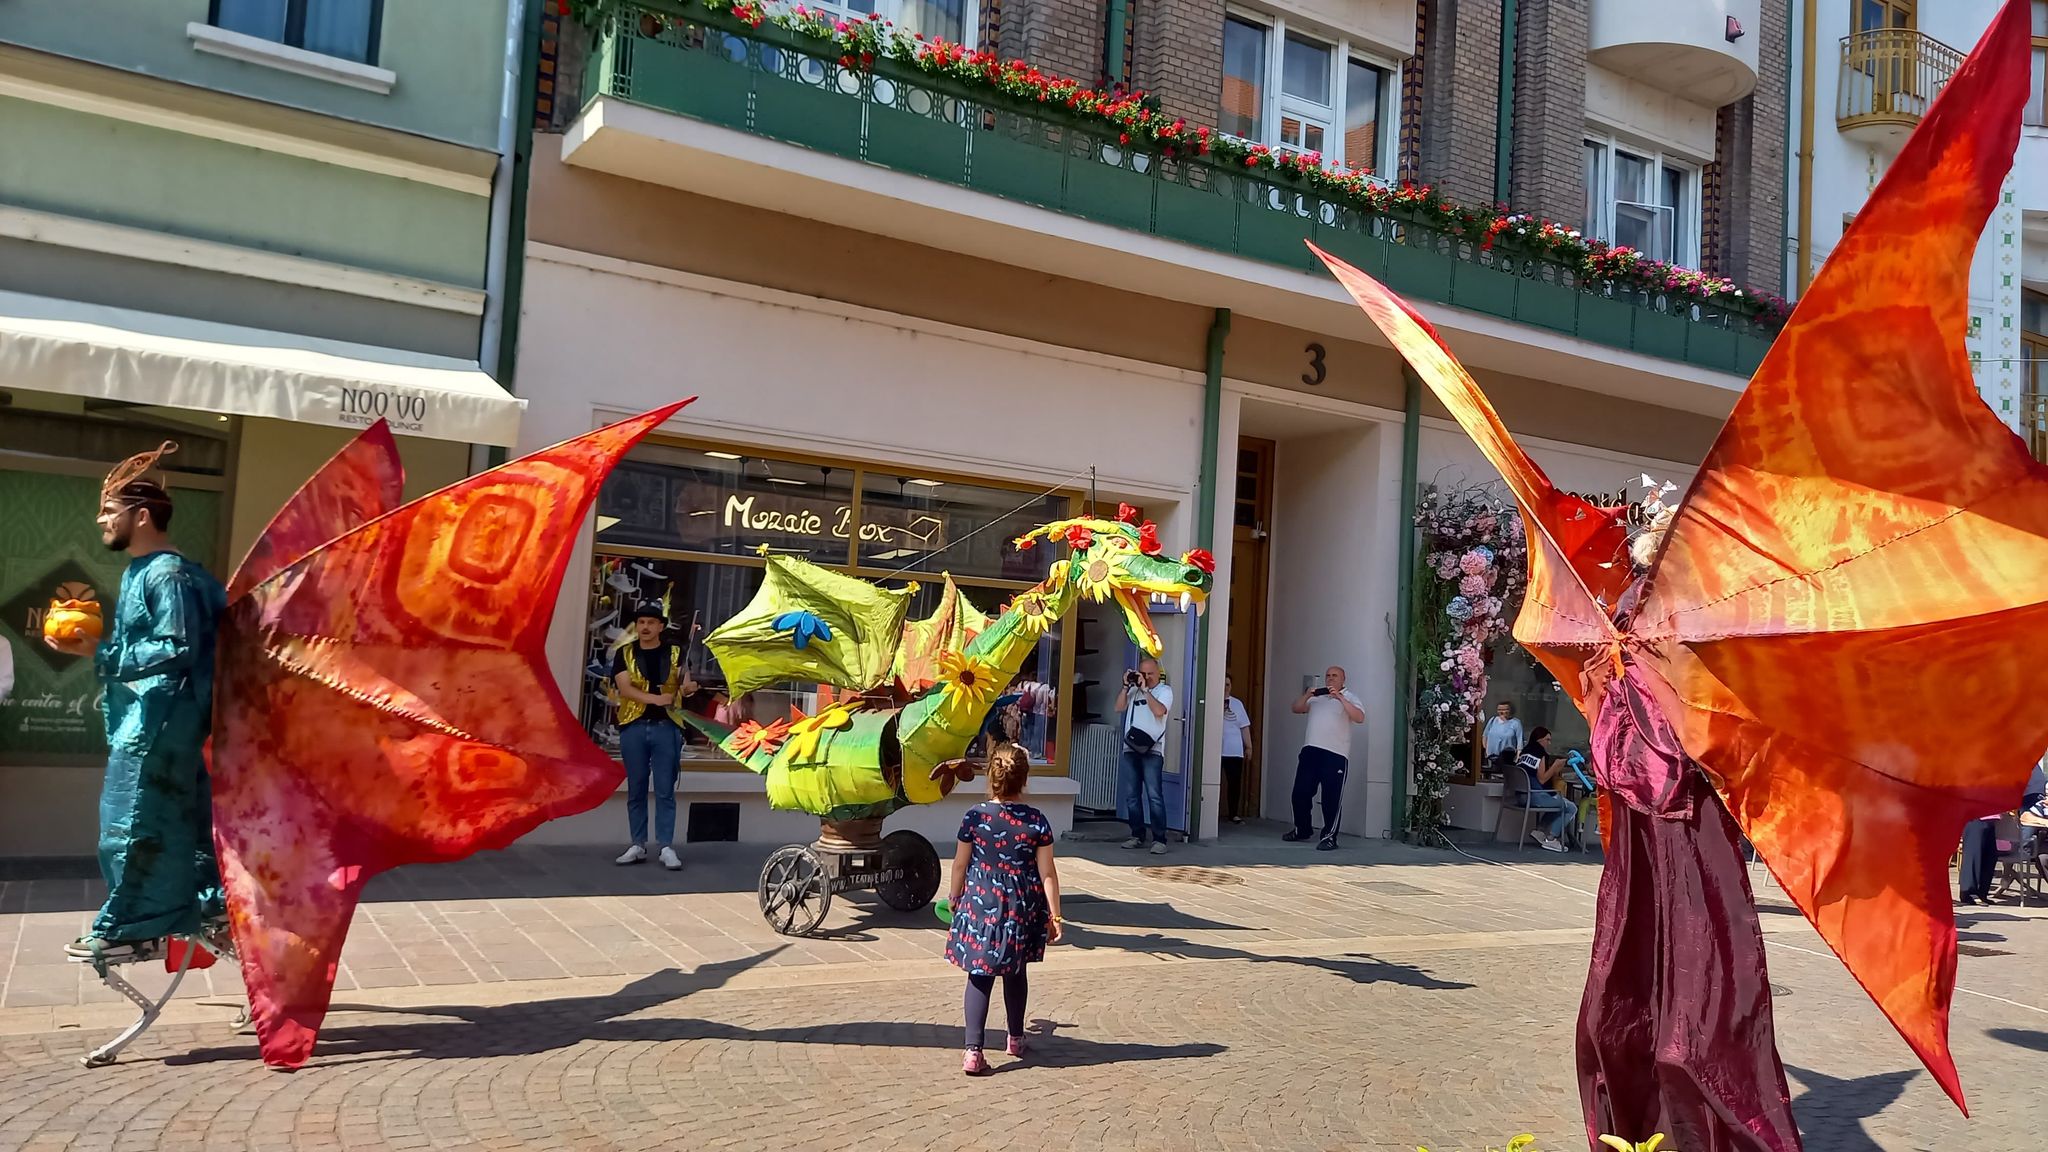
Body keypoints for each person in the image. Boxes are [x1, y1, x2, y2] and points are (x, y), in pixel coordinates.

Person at [45, 443, 227, 963]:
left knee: (127, 827)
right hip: (156, 721)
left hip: (157, 726)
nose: (101, 520)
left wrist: (98, 653)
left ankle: (132, 925)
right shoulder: (143, 571)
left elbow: (177, 646)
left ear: (140, 516)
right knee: (182, 826)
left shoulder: (166, 574)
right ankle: (207, 906)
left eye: (110, 511)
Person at [945, 742, 1063, 1076]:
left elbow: (959, 865)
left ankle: (973, 1051)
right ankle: (1014, 1037)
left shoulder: (976, 816)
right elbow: (1048, 873)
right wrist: (1055, 915)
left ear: (991, 776)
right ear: (1024, 779)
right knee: (1016, 970)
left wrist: (955, 900)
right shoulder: (1037, 821)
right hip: (1021, 908)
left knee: (979, 974)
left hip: (981, 905)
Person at [610, 602, 699, 870]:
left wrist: (690, 688)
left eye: (650, 622)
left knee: (664, 790)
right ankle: (637, 844)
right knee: (636, 788)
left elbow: (685, 684)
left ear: (660, 626)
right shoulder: (623, 653)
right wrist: (657, 699)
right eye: (640, 622)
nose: (645, 627)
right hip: (633, 726)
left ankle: (666, 846)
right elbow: (625, 689)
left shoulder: (676, 652)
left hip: (667, 728)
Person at [1286, 666, 1364, 850]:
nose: (1330, 679)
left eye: (1334, 676)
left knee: (1331, 799)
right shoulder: (1317, 698)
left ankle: (1329, 837)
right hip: (1311, 751)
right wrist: (1307, 695)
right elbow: (1296, 708)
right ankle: (1302, 829)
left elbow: (1359, 717)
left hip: (1335, 754)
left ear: (1343, 679)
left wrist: (1340, 698)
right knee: (1300, 793)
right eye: (1328, 676)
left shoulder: (1351, 697)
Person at [1115, 657, 1173, 854]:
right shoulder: (1133, 690)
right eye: (1144, 674)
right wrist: (1125, 687)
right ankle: (1136, 835)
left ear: (1158, 674)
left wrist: (1146, 690)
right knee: (1132, 796)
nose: (1146, 678)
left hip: (1152, 749)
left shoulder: (1164, 691)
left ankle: (1159, 839)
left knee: (1154, 795)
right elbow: (1118, 707)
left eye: (1151, 674)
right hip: (1131, 747)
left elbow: (1159, 711)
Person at [1515, 727, 1575, 853]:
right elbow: (1542, 779)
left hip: (1521, 796)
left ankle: (1540, 831)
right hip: (1534, 795)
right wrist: (1555, 767)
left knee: (1558, 802)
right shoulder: (1540, 753)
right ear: (1540, 739)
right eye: (1547, 739)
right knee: (1570, 807)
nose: (1549, 743)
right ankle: (1551, 838)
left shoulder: (1525, 752)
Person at [1220, 674, 1253, 823]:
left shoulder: (1237, 704)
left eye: (1228, 684)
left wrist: (1249, 747)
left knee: (1234, 783)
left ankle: (1233, 813)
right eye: (1223, 684)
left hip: (1234, 750)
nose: (1226, 688)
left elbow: (1244, 726)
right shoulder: (1213, 700)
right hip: (1216, 749)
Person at [1482, 701, 1524, 772]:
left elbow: (1520, 742)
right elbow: (1485, 736)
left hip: (1506, 759)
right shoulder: (1493, 720)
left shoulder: (1516, 723)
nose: (1501, 712)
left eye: (1504, 710)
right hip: (1491, 758)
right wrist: (1486, 749)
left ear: (1511, 710)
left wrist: (1517, 758)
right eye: (1499, 710)